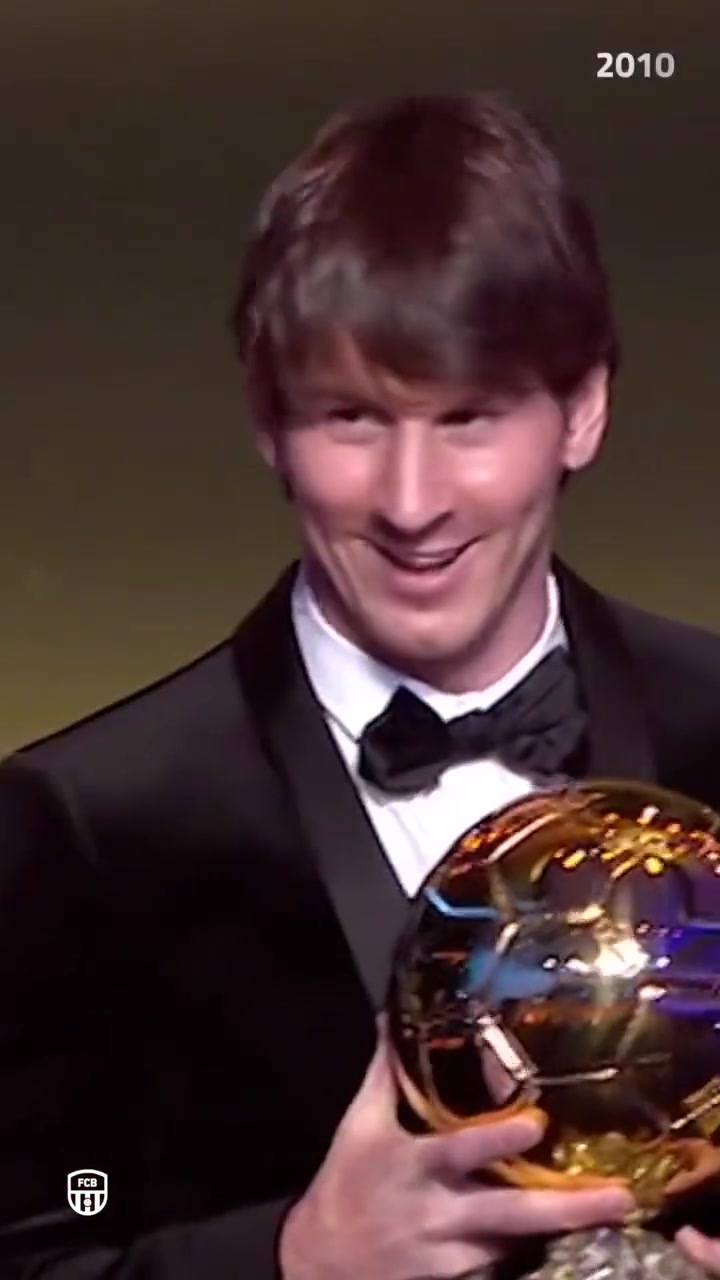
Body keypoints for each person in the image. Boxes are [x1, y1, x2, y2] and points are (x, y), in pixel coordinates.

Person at [1, 90, 719, 1280]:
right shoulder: (87, 826)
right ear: (267, 421)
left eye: (469, 416)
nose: (411, 500)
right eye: (351, 417)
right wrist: (296, 1256)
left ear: (582, 409)